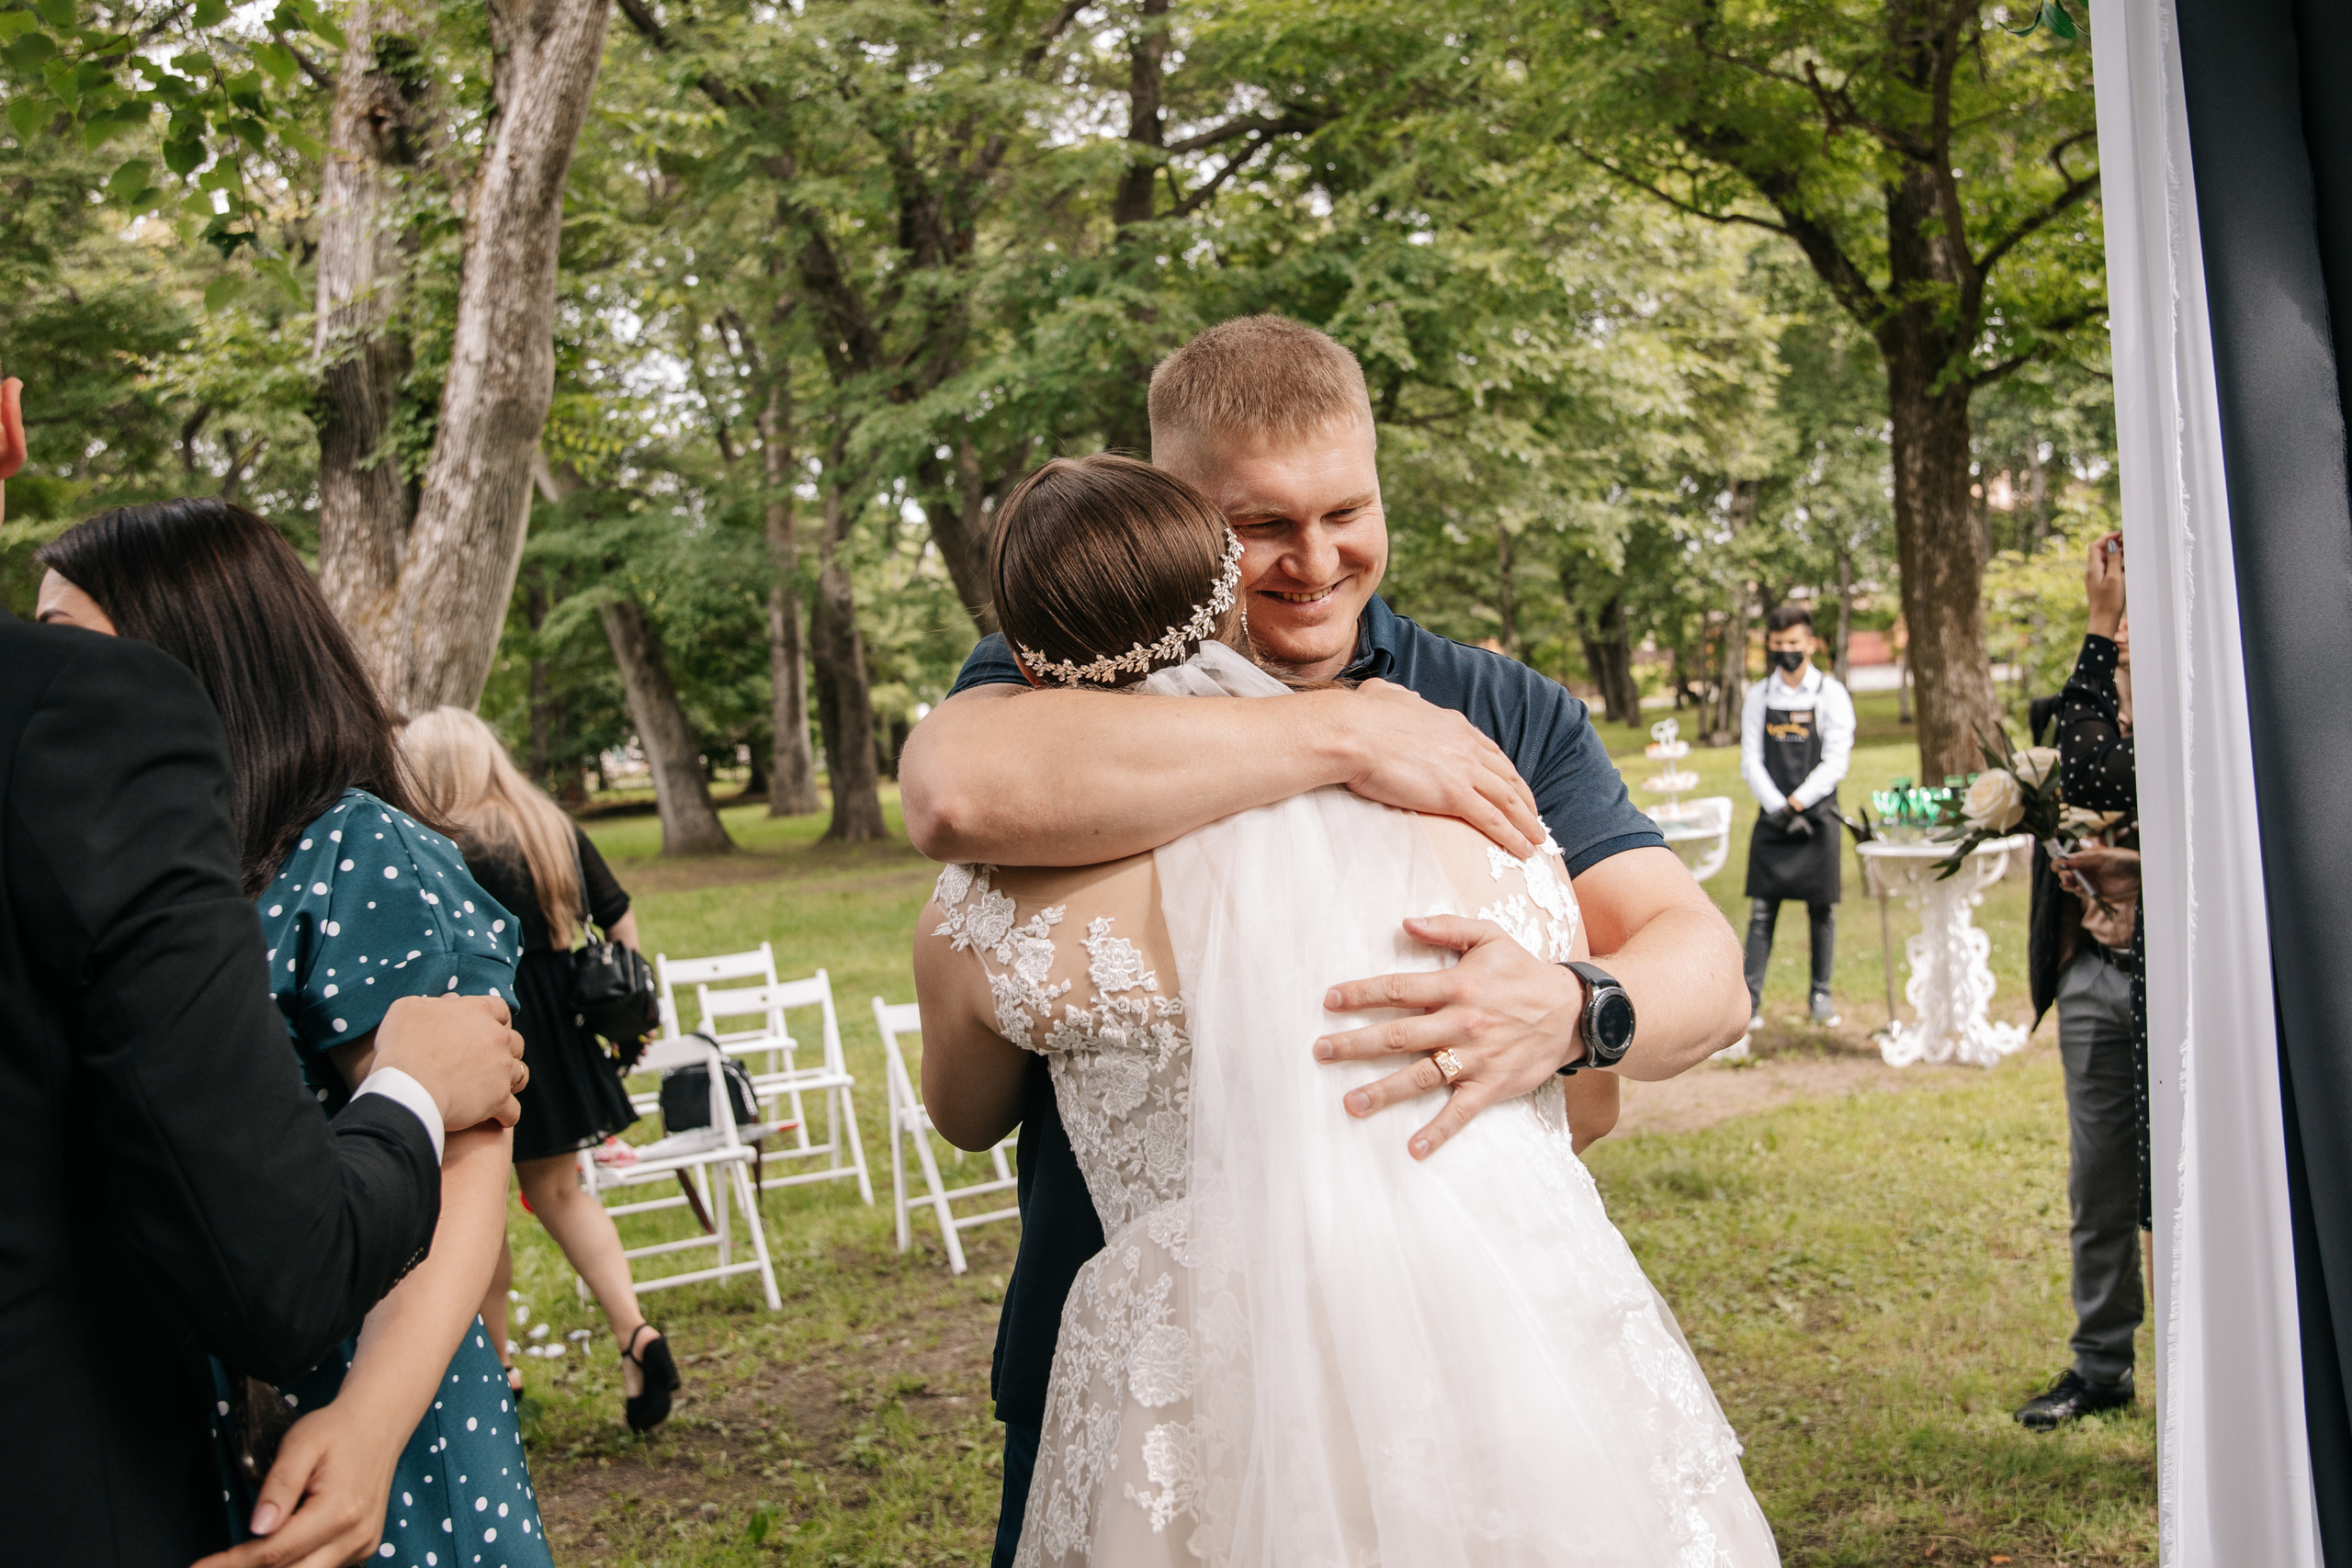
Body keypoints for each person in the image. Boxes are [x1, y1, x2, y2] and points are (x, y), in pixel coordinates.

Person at [899, 316, 1749, 1565]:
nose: (1316, 560)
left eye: (1347, 509)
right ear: (1171, 519)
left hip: (1455, 1351)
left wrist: (1574, 1009)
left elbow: (1704, 969)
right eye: (1259, 527)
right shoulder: (1063, 677)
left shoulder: (1501, 702)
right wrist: (1344, 736)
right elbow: (953, 795)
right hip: (1153, 1381)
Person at [35, 500, 557, 1568]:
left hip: (355, 1419)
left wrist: (370, 1421)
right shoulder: (119, 875)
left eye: (63, 640)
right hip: (164, 1419)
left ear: (196, 653)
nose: (39, 677)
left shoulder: (349, 852)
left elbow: (464, 1155)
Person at [401, 705, 683, 1431]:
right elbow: (619, 918)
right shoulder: (550, 826)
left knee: (478, 1209)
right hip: (560, 1033)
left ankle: (496, 1372)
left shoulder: (440, 842)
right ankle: (634, 1333)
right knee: (560, 1193)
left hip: (485, 1031)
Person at [2015, 531, 2149, 1431]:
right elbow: (2083, 765)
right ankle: (2099, 1367)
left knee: (2190, 1180)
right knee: (2096, 1182)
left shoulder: (2210, 705)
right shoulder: (2087, 706)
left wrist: (2098, 628)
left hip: (2190, 984)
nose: (2122, 635)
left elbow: (2103, 767)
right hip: (2100, 975)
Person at [1737, 604, 1856, 1033]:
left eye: (1793, 643)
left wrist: (1799, 804)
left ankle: (1820, 996)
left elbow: (1836, 761)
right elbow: (1751, 760)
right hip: (1773, 819)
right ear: (1770, 645)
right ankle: (1749, 1002)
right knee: (1762, 911)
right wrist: (1777, 808)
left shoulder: (1831, 694)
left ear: (1810, 644)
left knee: (1821, 910)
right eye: (1778, 644)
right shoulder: (1759, 696)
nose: (1786, 650)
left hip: (1817, 818)